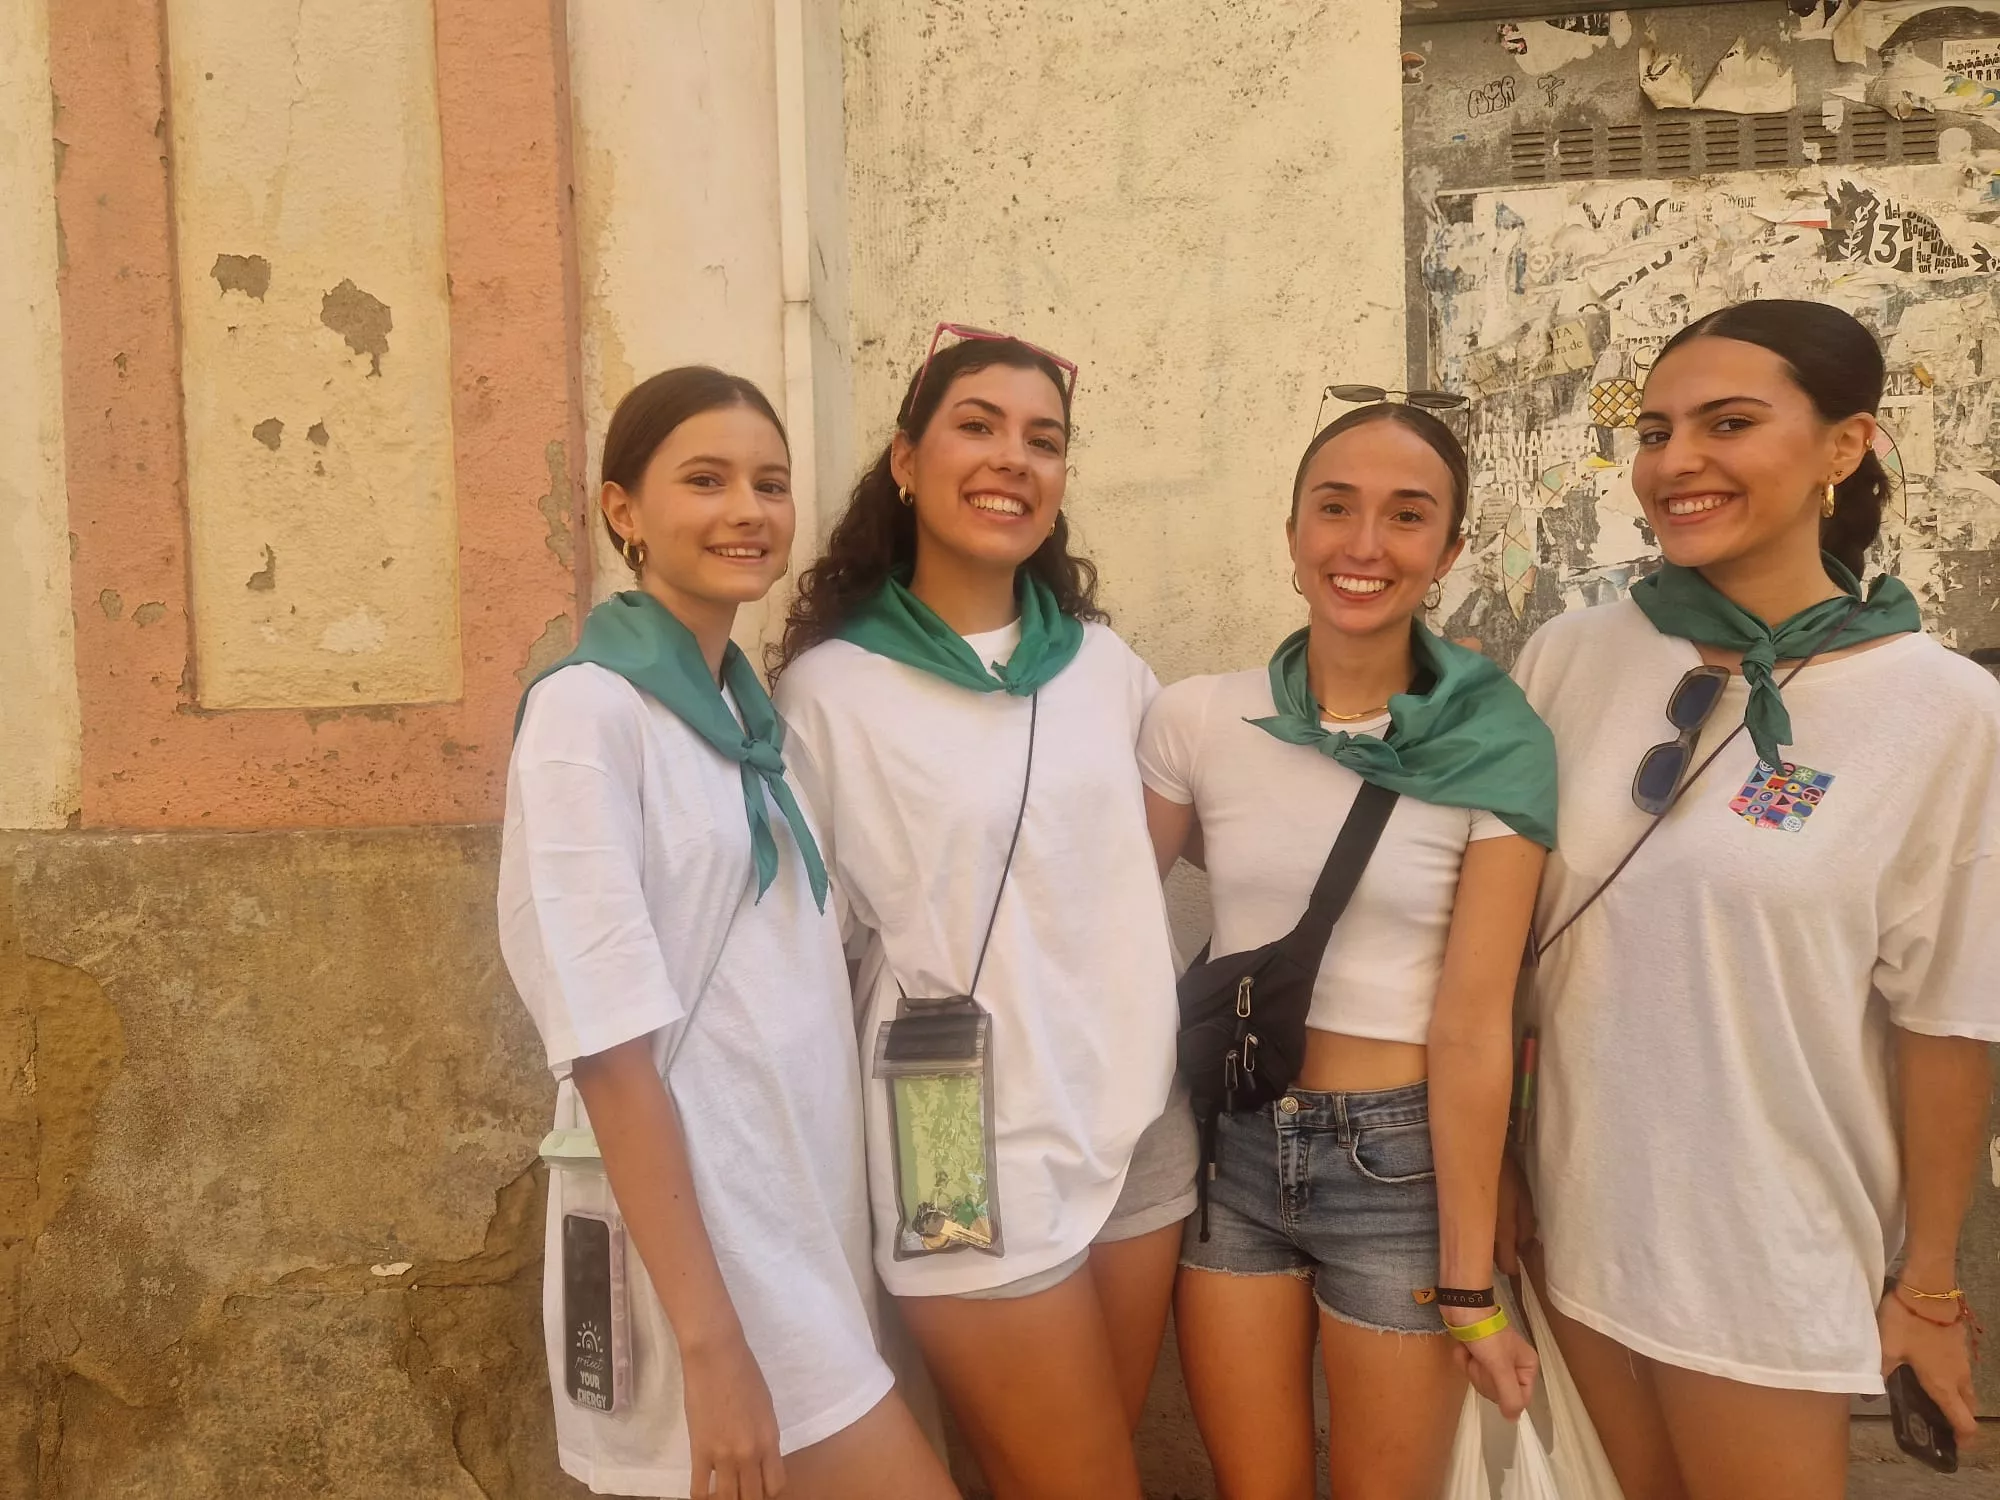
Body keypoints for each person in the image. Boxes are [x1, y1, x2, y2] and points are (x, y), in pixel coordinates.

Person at [1509, 299, 1999, 1500]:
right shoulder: (1569, 657)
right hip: (1574, 1217)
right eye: (1655, 429)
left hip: (1758, 1236)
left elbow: (1945, 1014)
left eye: (1728, 424)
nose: (1675, 462)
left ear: (1844, 446)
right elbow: (1512, 950)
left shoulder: (1939, 710)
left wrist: (1927, 1283)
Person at [499, 367, 956, 1500]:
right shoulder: (587, 714)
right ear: (622, 511)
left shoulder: (754, 721)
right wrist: (710, 1346)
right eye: (704, 480)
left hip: (798, 1227)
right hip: (699, 1261)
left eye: (769, 483)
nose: (747, 511)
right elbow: (607, 1047)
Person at [770, 328, 1191, 1500]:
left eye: (1042, 440)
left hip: (1134, 1122)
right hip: (952, 1137)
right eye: (976, 426)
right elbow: (797, 954)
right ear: (904, 460)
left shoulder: (1105, 667)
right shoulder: (826, 691)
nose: (1012, 458)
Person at [1141, 400, 1554, 1497]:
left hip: (1397, 1166)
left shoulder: (1496, 745)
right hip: (1229, 1149)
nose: (1363, 545)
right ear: (1289, 534)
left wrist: (1470, 1289)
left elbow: (1473, 1023)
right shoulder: (1196, 722)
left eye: (1406, 516)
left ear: (1448, 552)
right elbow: (1100, 919)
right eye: (1334, 508)